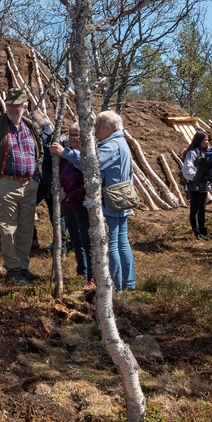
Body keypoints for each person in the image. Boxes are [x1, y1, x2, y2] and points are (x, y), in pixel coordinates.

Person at [58, 111, 136, 292]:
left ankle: (116, 287)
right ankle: (129, 283)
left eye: (99, 126)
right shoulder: (121, 142)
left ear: (111, 127)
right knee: (122, 241)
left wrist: (66, 154)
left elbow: (91, 165)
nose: (95, 130)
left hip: (112, 200)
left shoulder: (112, 145)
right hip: (121, 197)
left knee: (113, 244)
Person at [0, 89, 43, 283]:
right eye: (10, 105)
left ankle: (23, 267)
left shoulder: (31, 127)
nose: (13, 108)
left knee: (26, 228)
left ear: (25, 106)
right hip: (5, 184)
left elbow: (39, 155)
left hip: (28, 185)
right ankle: (13, 269)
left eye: (17, 105)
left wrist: (37, 177)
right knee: (8, 229)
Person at [49, 125, 92, 287]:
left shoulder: (85, 156)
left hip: (81, 204)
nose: (74, 138)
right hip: (67, 205)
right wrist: (55, 188)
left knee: (86, 240)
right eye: (71, 134)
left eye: (77, 135)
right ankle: (81, 271)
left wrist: (69, 196)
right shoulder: (64, 156)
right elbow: (58, 174)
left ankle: (91, 276)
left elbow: (87, 184)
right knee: (75, 240)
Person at [181, 132, 212, 239]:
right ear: (199, 140)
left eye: (208, 139)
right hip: (195, 185)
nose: (207, 142)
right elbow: (187, 170)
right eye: (205, 139)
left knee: (202, 208)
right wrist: (197, 178)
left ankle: (203, 231)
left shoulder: (206, 152)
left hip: (203, 185)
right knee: (195, 209)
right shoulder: (192, 153)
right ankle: (196, 232)